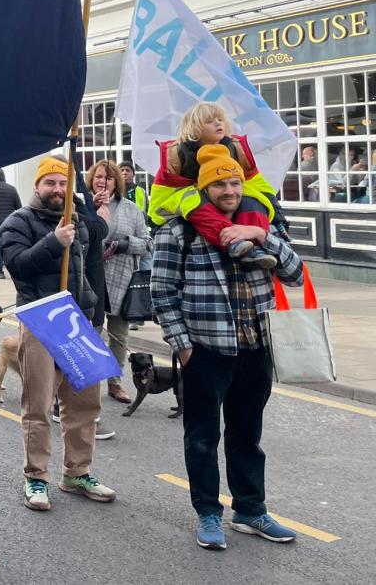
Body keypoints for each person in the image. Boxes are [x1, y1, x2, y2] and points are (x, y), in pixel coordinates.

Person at [151, 144, 304, 550]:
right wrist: (183, 347)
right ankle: (208, 514)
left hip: (255, 350)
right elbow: (161, 291)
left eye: (235, 181)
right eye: (219, 183)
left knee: (247, 435)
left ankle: (250, 511)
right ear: (205, 188)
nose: (230, 189)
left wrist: (261, 234)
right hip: (205, 352)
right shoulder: (179, 230)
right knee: (202, 438)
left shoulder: (260, 222)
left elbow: (295, 273)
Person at [0, 157, 116, 512]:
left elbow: (95, 254)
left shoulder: (78, 219)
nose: (58, 190)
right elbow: (17, 266)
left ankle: (77, 473)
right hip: (40, 321)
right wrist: (53, 242)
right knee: (38, 403)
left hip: (79, 322)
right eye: (50, 183)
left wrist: (95, 310)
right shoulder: (18, 221)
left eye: (63, 184)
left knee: (84, 403)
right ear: (37, 186)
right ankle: (36, 477)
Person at [149, 103, 278, 269]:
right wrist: (155, 222)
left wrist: (276, 211)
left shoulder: (235, 148)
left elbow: (256, 182)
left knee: (252, 200)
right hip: (180, 200)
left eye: (220, 119)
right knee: (194, 200)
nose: (218, 123)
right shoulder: (177, 154)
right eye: (210, 121)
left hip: (219, 197)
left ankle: (255, 246)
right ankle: (233, 242)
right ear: (194, 127)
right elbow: (162, 192)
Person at [86, 161, 152, 405]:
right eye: (99, 177)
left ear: (117, 182)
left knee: (119, 334)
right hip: (90, 279)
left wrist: (124, 244)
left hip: (121, 278)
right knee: (91, 333)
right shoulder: (83, 206)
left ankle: (114, 382)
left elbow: (147, 243)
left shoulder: (131, 209)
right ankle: (88, 383)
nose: (103, 181)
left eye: (109, 178)